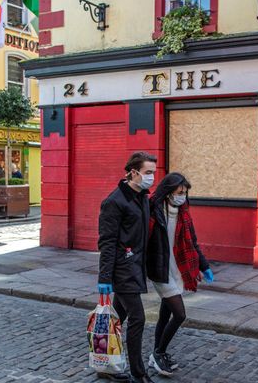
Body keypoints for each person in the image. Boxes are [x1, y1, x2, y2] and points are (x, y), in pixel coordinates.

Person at [146, 173, 214, 377]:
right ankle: (158, 353)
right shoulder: (153, 210)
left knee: (165, 314)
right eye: (179, 192)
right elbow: (142, 239)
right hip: (159, 269)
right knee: (180, 314)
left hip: (177, 270)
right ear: (168, 192)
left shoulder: (183, 212)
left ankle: (157, 354)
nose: (182, 196)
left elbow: (192, 242)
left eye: (185, 193)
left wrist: (204, 266)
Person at [97, 151, 157, 383]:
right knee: (138, 318)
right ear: (133, 172)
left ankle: (105, 365)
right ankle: (138, 373)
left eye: (153, 172)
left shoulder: (141, 196)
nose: (151, 177)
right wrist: (104, 278)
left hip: (135, 266)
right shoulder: (114, 202)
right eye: (148, 172)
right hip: (122, 269)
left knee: (117, 319)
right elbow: (107, 242)